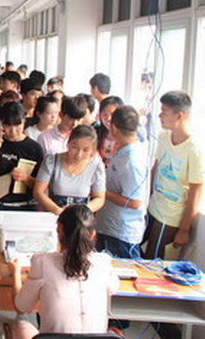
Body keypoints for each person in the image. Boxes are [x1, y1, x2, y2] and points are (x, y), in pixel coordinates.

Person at [8, 205, 119, 339]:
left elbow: (22, 306)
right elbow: (113, 288)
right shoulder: (104, 263)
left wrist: (15, 273)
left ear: (59, 229)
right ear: (92, 235)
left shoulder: (42, 262)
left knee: (20, 326)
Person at [146, 91, 204, 259]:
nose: (159, 116)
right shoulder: (163, 136)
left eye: (164, 112)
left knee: (155, 260)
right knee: (139, 254)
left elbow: (195, 191)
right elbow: (155, 169)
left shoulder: (194, 149)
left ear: (180, 116)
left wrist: (184, 229)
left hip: (171, 216)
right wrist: (148, 198)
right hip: (153, 207)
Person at [96, 106, 149, 259]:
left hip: (121, 232)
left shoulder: (132, 160)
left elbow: (134, 202)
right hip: (109, 225)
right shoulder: (124, 149)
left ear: (113, 127)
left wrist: (102, 193)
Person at [0, 102, 43, 210]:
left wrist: (26, 178)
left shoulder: (34, 148)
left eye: (18, 125)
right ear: (1, 123)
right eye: (7, 125)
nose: (13, 131)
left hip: (25, 205)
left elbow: (41, 187)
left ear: (24, 121)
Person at [34, 124, 106, 215]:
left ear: (93, 150)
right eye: (74, 147)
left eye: (85, 150)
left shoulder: (97, 166)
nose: (79, 154)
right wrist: (57, 210)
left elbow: (99, 198)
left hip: (80, 217)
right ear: (68, 143)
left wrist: (83, 210)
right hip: (54, 214)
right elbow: (38, 192)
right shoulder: (52, 161)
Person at [95, 95, 124, 168]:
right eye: (104, 114)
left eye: (112, 114)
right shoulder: (96, 133)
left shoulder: (126, 138)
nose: (108, 118)